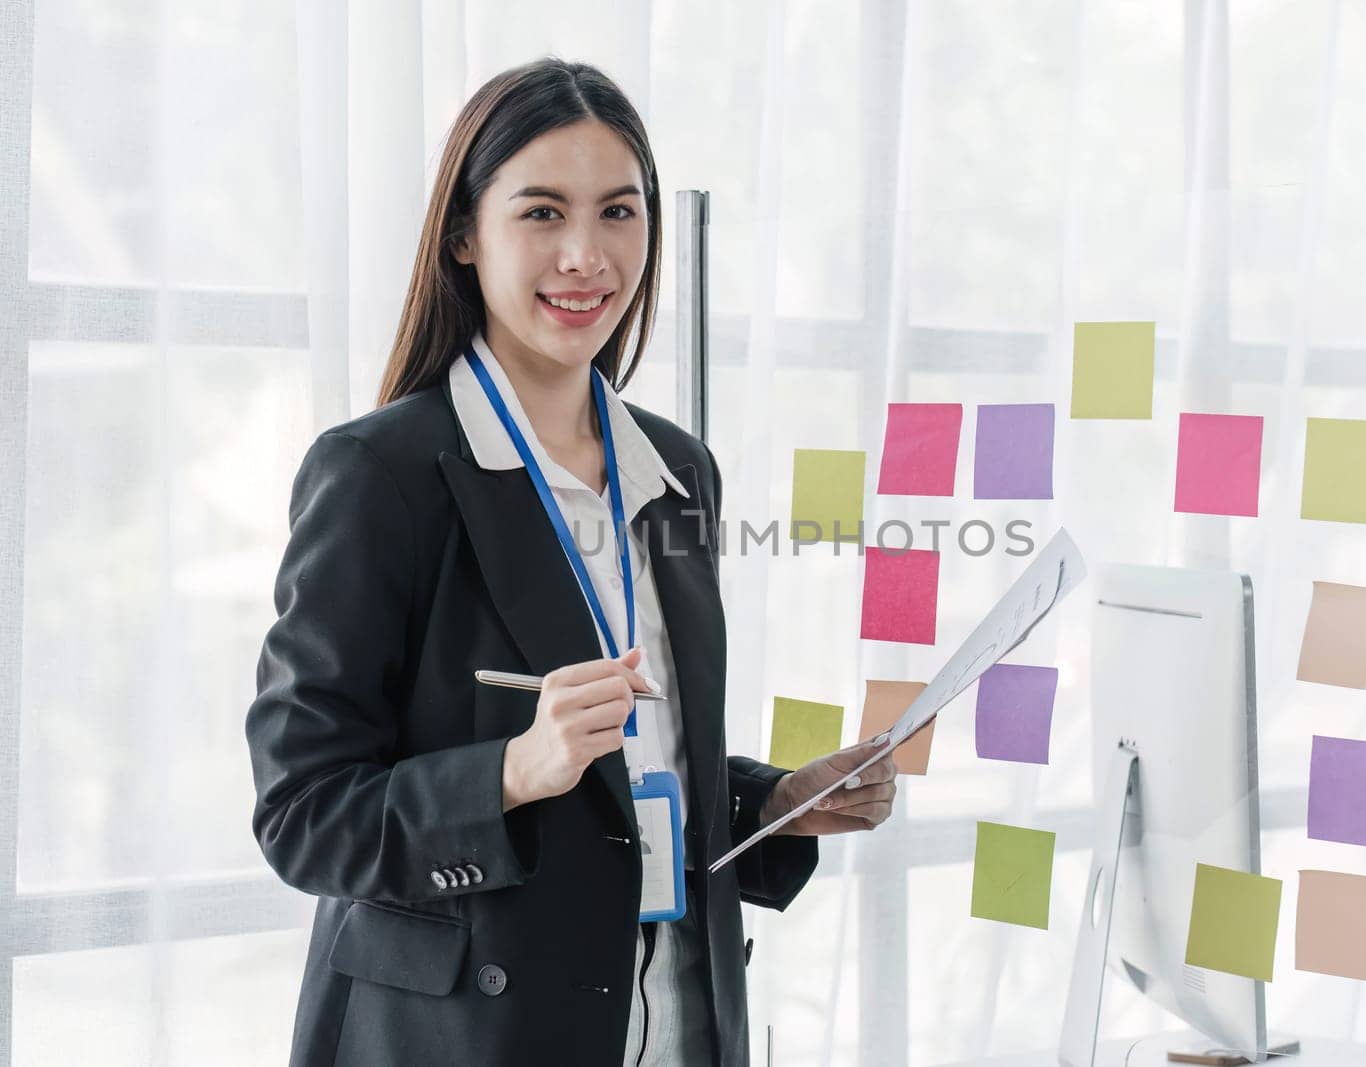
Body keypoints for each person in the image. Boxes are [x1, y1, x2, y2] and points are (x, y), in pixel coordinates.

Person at [244, 57, 900, 1066]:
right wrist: (513, 768)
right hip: (467, 1037)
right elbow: (303, 815)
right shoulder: (381, 473)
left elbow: (641, 765)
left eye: (619, 213)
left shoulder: (678, 468)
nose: (587, 255)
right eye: (543, 213)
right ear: (464, 235)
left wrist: (774, 801)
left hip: (678, 1022)